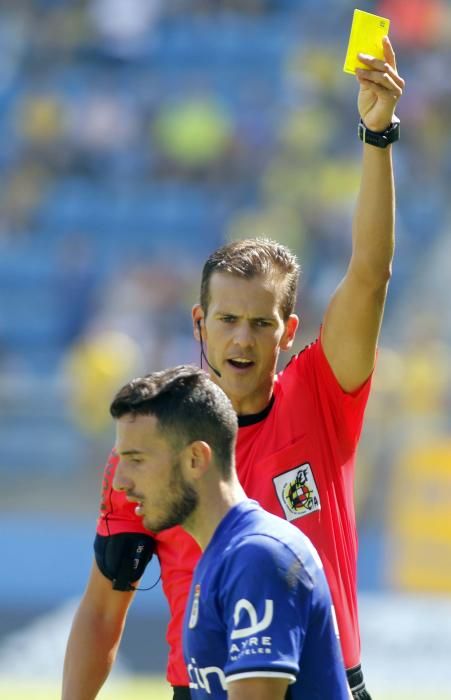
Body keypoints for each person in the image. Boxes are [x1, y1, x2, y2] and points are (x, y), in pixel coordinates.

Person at [62, 38, 405, 700]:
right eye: (226, 320)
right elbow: (104, 611)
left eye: (260, 322)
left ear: (288, 333)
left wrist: (377, 132)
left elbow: (368, 274)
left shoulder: (320, 396)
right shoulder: (149, 445)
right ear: (198, 324)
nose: (242, 339)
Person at [111, 365, 352, 699]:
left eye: (136, 460)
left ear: (195, 459)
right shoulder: (224, 556)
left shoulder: (259, 558)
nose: (119, 481)